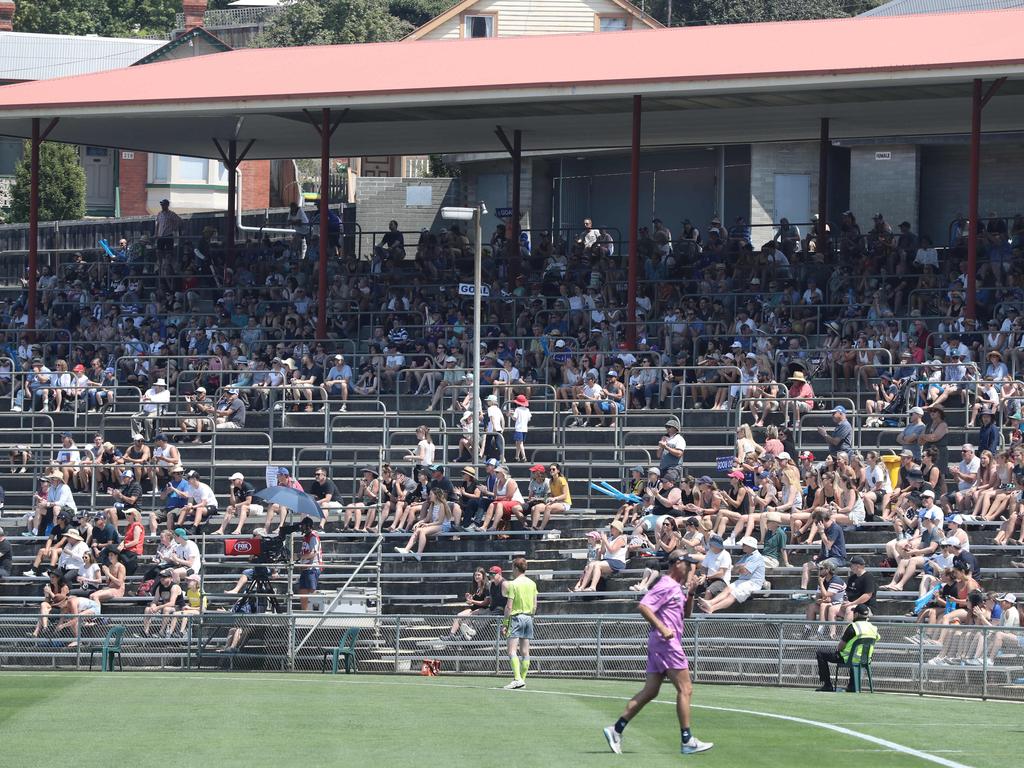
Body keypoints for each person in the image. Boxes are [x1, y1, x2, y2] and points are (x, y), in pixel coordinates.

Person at [603, 551, 713, 755]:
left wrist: (690, 593)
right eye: (687, 564)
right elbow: (644, 606)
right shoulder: (665, 584)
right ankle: (687, 740)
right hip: (666, 644)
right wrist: (663, 628)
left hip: (662, 644)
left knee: (651, 691)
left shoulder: (677, 588)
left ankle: (616, 729)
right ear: (677, 563)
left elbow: (686, 615)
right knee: (686, 689)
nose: (690, 568)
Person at [815, 604, 879, 692]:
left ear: (856, 614)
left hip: (848, 658)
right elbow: (876, 639)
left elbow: (840, 646)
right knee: (855, 657)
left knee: (820, 653)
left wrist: (839, 650)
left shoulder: (853, 627)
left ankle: (827, 685)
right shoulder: (873, 628)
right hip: (865, 659)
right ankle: (852, 686)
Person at [697, 536, 765, 614]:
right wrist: (740, 567)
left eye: (744, 545)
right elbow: (735, 569)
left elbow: (744, 571)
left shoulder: (757, 557)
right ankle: (710, 603)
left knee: (732, 594)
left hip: (752, 582)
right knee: (728, 589)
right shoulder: (746, 556)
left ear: (750, 546)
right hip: (743, 581)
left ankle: (712, 608)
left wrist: (740, 567)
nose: (742, 546)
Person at [502, 557, 538, 690]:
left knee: (511, 650)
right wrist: (531, 617)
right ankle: (522, 679)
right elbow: (534, 605)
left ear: (516, 568)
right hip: (528, 617)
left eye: (512, 568)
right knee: (525, 651)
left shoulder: (514, 584)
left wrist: (505, 623)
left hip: (516, 617)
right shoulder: (532, 584)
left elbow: (509, 606)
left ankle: (517, 678)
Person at [442, 567, 491, 642]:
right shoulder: (475, 586)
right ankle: (451, 636)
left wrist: (472, 601)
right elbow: (472, 601)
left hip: (484, 608)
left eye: (478, 575)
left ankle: (463, 637)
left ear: (483, 576)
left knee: (468, 618)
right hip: (475, 607)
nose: (476, 577)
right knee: (459, 615)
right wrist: (469, 599)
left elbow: (486, 602)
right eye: (475, 575)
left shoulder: (486, 586)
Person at [295, 516, 322, 610]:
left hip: (312, 568)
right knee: (302, 590)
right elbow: (306, 552)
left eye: (303, 526)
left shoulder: (313, 536)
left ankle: (317, 610)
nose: (301, 528)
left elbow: (313, 553)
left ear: (308, 526)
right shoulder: (305, 537)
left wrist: (299, 557)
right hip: (305, 568)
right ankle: (304, 612)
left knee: (311, 590)